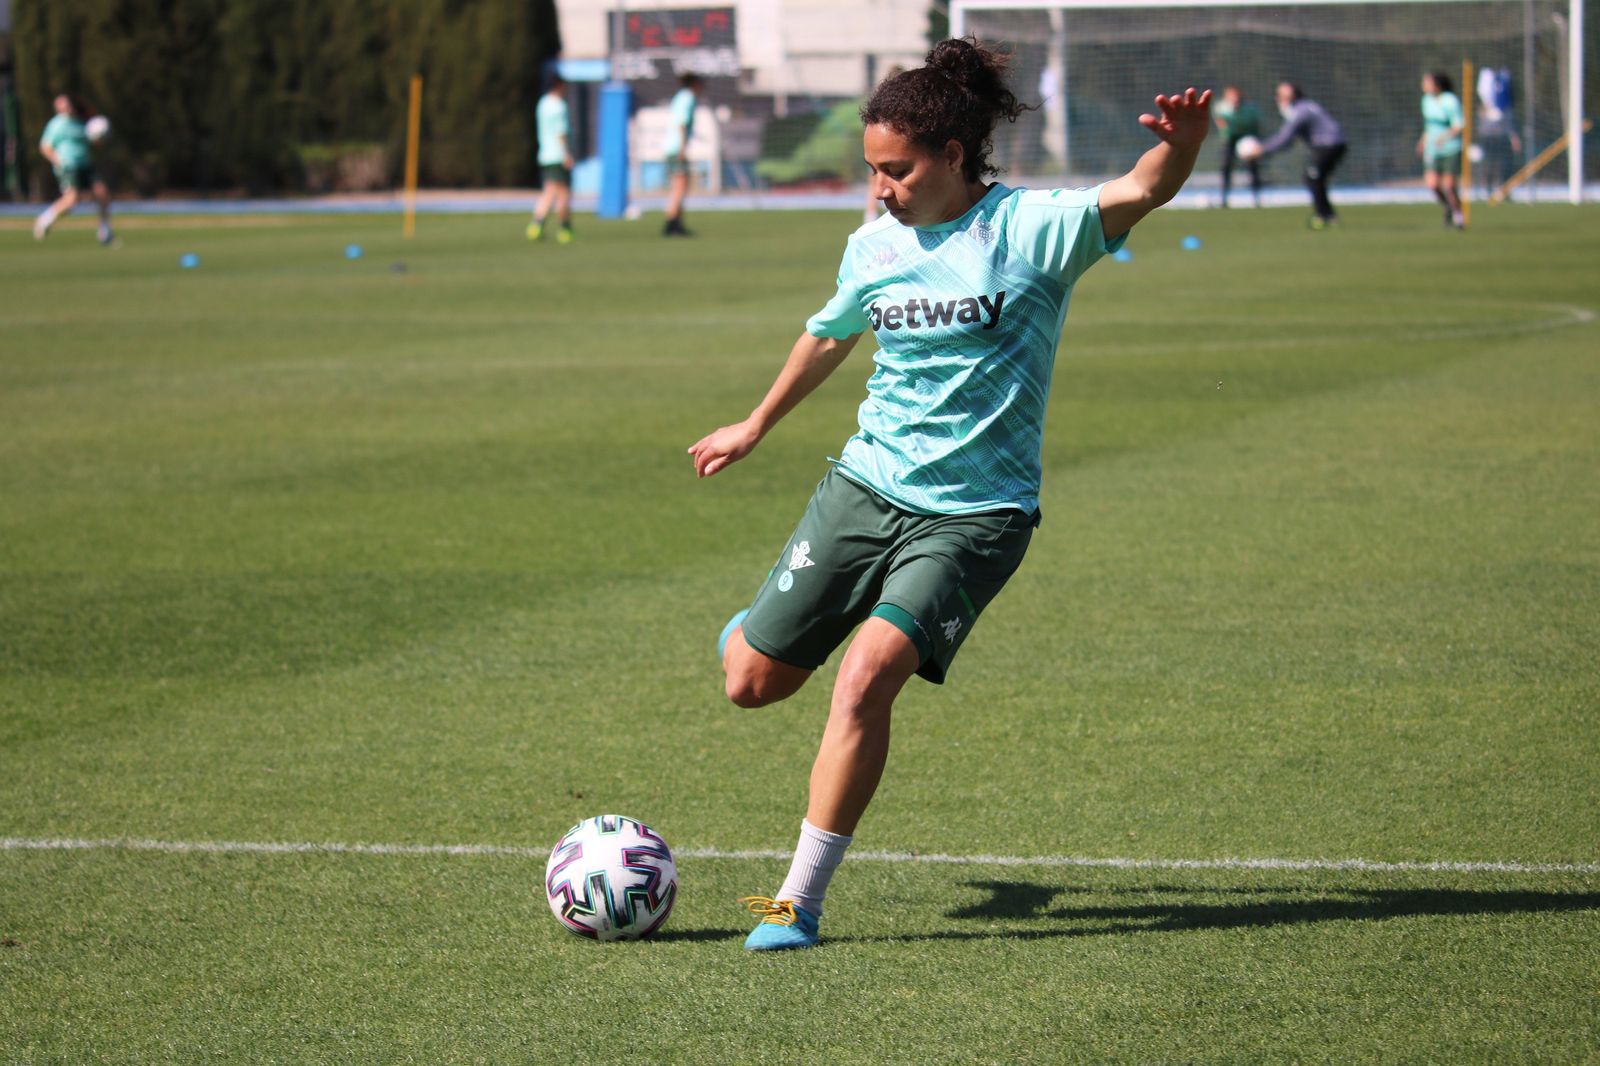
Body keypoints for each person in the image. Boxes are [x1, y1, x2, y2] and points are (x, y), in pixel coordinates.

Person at [687, 38, 1210, 951]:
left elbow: (1142, 189)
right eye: (872, 171)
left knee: (864, 679)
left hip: (977, 516)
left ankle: (795, 904)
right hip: (865, 488)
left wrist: (1185, 142)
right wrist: (755, 423)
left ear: (954, 156)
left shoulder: (1030, 230)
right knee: (751, 685)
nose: (879, 188)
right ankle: (756, 628)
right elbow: (830, 332)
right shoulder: (874, 242)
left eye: (895, 171)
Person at [1248, 81, 1346, 228]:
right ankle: (1327, 215)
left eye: (1280, 96)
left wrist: (1261, 150)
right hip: (1333, 144)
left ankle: (1324, 215)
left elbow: (1284, 138)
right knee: (1314, 179)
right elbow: (1289, 141)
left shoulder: (1300, 112)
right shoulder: (1306, 106)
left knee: (1313, 178)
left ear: (1291, 96)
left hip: (1328, 145)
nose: (1278, 99)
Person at [33, 94, 114, 245]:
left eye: (66, 104)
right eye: (61, 105)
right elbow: (45, 147)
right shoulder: (57, 124)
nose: (65, 108)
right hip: (68, 166)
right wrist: (58, 161)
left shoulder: (82, 122)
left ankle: (105, 230)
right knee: (72, 200)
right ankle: (45, 219)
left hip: (85, 164)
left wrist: (100, 137)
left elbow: (93, 141)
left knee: (102, 192)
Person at [528, 73, 575, 243]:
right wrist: (567, 154)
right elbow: (560, 133)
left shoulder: (542, 103)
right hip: (558, 154)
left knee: (549, 190)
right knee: (563, 193)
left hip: (545, 153)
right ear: (560, 86)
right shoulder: (559, 106)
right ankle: (565, 228)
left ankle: (536, 223)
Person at [1418, 72, 1465, 229]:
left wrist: (1443, 137)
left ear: (1437, 84)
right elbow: (1429, 125)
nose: (1424, 84)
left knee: (1450, 186)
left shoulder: (1450, 100)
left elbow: (1458, 125)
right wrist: (1423, 140)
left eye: (1427, 81)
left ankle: (1458, 216)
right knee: (1432, 184)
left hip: (1450, 148)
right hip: (1432, 149)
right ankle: (1448, 207)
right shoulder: (1426, 101)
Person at [661, 73, 702, 237]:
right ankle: (672, 223)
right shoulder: (687, 97)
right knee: (680, 186)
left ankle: (676, 222)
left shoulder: (680, 97)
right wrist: (682, 148)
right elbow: (681, 124)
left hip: (672, 147)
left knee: (679, 186)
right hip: (676, 149)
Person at [1213, 85, 1262, 208]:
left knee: (1253, 168)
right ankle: (1224, 198)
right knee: (1226, 167)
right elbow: (1221, 123)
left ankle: (1256, 198)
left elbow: (1256, 125)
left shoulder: (1250, 109)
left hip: (1246, 138)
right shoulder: (1221, 108)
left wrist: (1254, 141)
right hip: (1230, 139)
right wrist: (1225, 132)